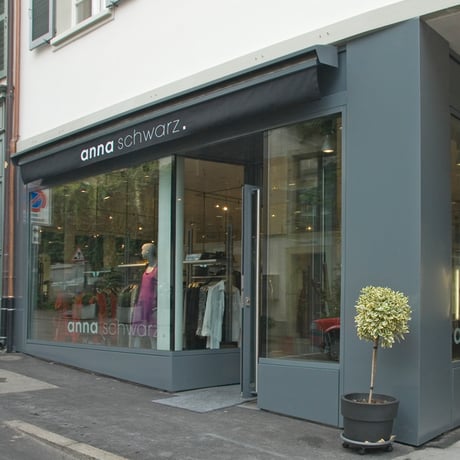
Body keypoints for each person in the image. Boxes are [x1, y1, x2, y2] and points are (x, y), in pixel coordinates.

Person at [131, 243, 157, 348]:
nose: (141, 252)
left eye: (142, 250)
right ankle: (136, 352)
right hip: (141, 303)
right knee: (137, 330)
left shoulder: (157, 268)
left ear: (148, 251)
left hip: (152, 305)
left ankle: (155, 352)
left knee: (152, 332)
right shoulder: (146, 267)